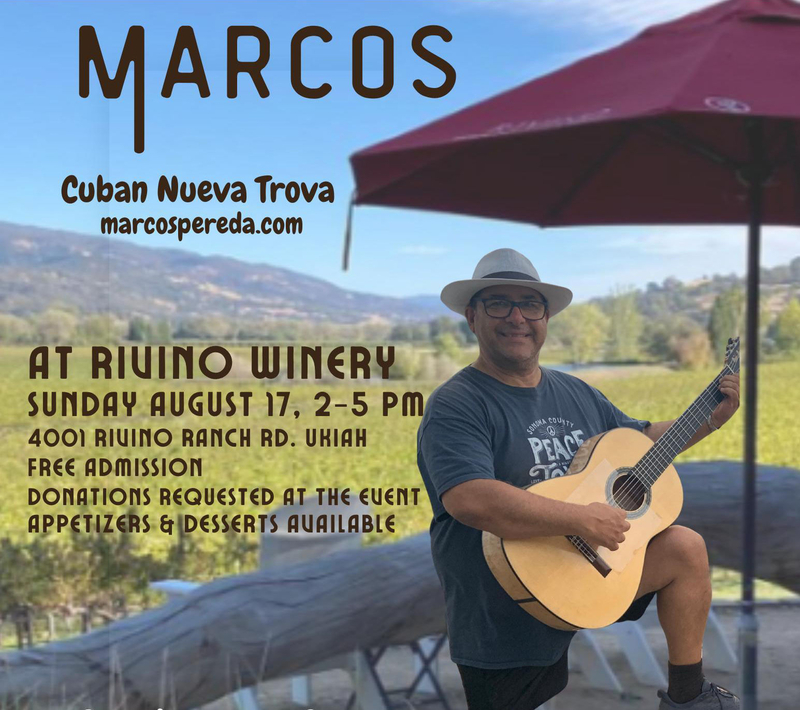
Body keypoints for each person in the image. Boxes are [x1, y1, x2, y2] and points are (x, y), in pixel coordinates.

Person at [417, 249, 741, 710]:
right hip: (503, 602)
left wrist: (708, 418)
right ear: (472, 317)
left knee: (684, 547)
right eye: (498, 304)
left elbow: (642, 440)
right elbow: (469, 498)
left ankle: (689, 696)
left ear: (545, 317)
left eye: (530, 304)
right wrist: (582, 519)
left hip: (589, 571)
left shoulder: (575, 391)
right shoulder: (457, 403)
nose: (517, 317)